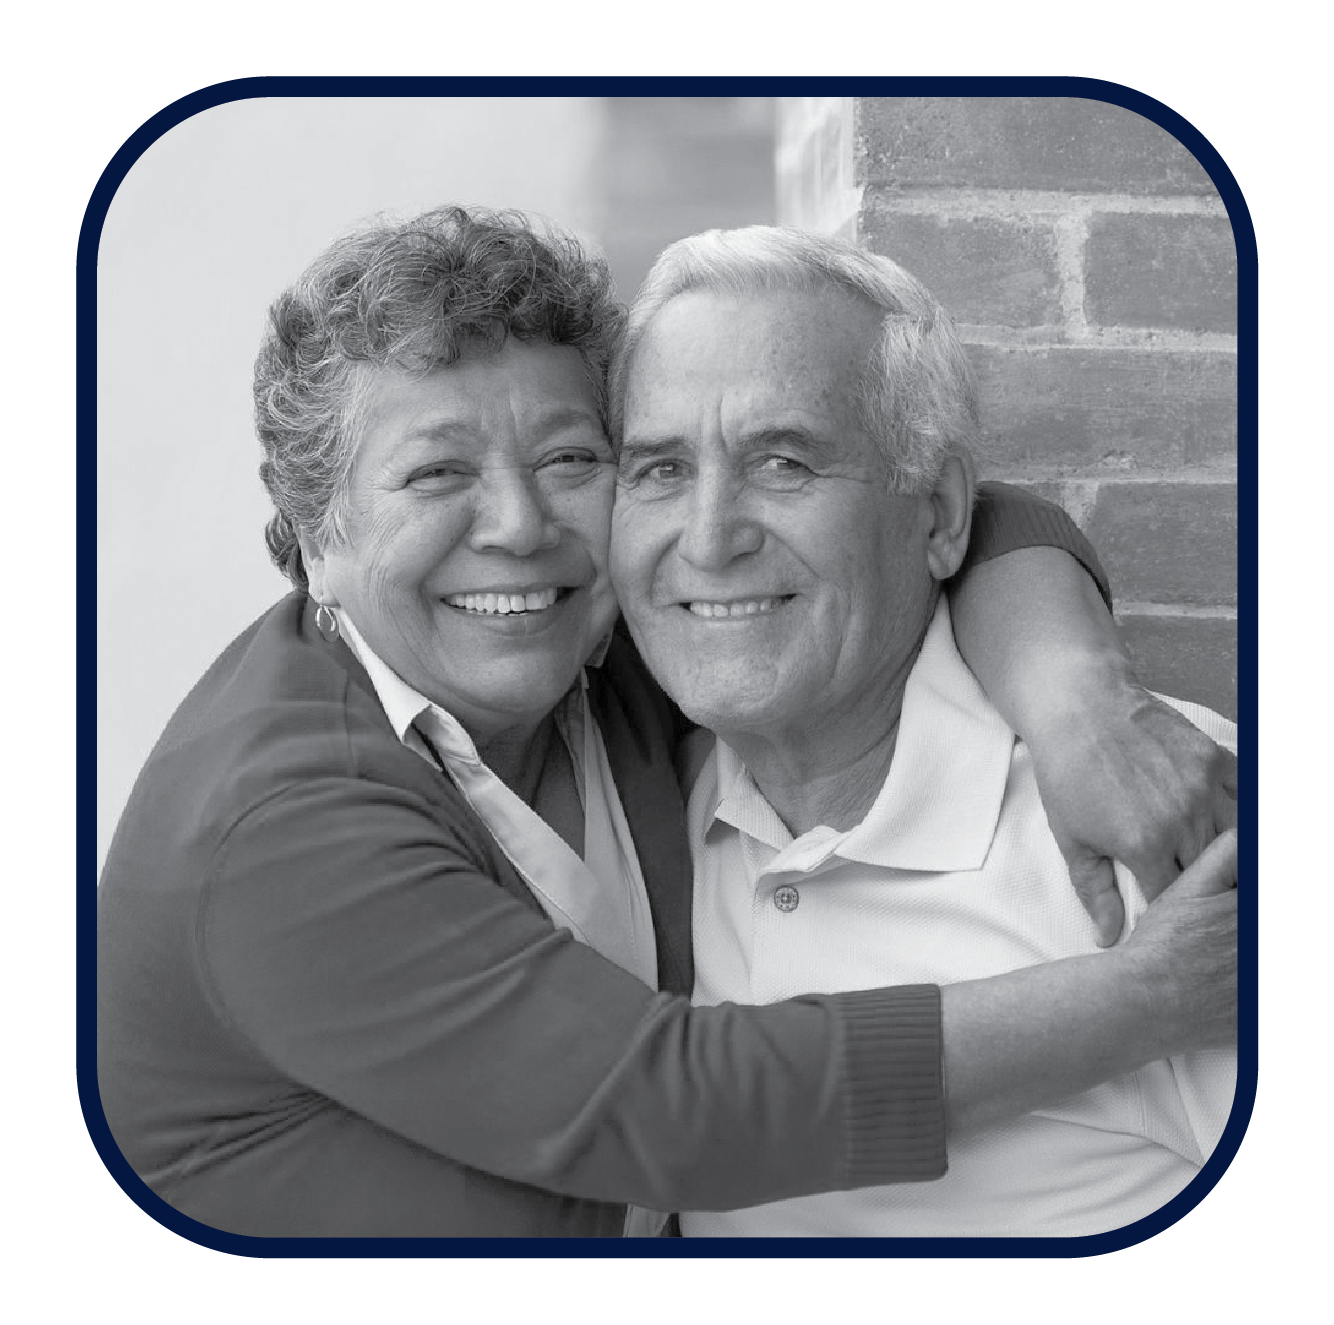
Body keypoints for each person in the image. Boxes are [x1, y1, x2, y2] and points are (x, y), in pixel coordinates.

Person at [96, 206, 1237, 1239]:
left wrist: (1076, 697)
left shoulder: (614, 662)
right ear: (312, 525)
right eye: (435, 473)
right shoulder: (276, 824)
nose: (518, 523)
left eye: (569, 459)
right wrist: (1143, 994)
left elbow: (952, 522)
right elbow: (678, 1107)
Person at [608, 224, 1239, 1237]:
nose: (708, 535)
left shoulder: (1151, 820)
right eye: (657, 469)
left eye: (783, 462)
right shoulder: (634, 793)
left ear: (938, 514)